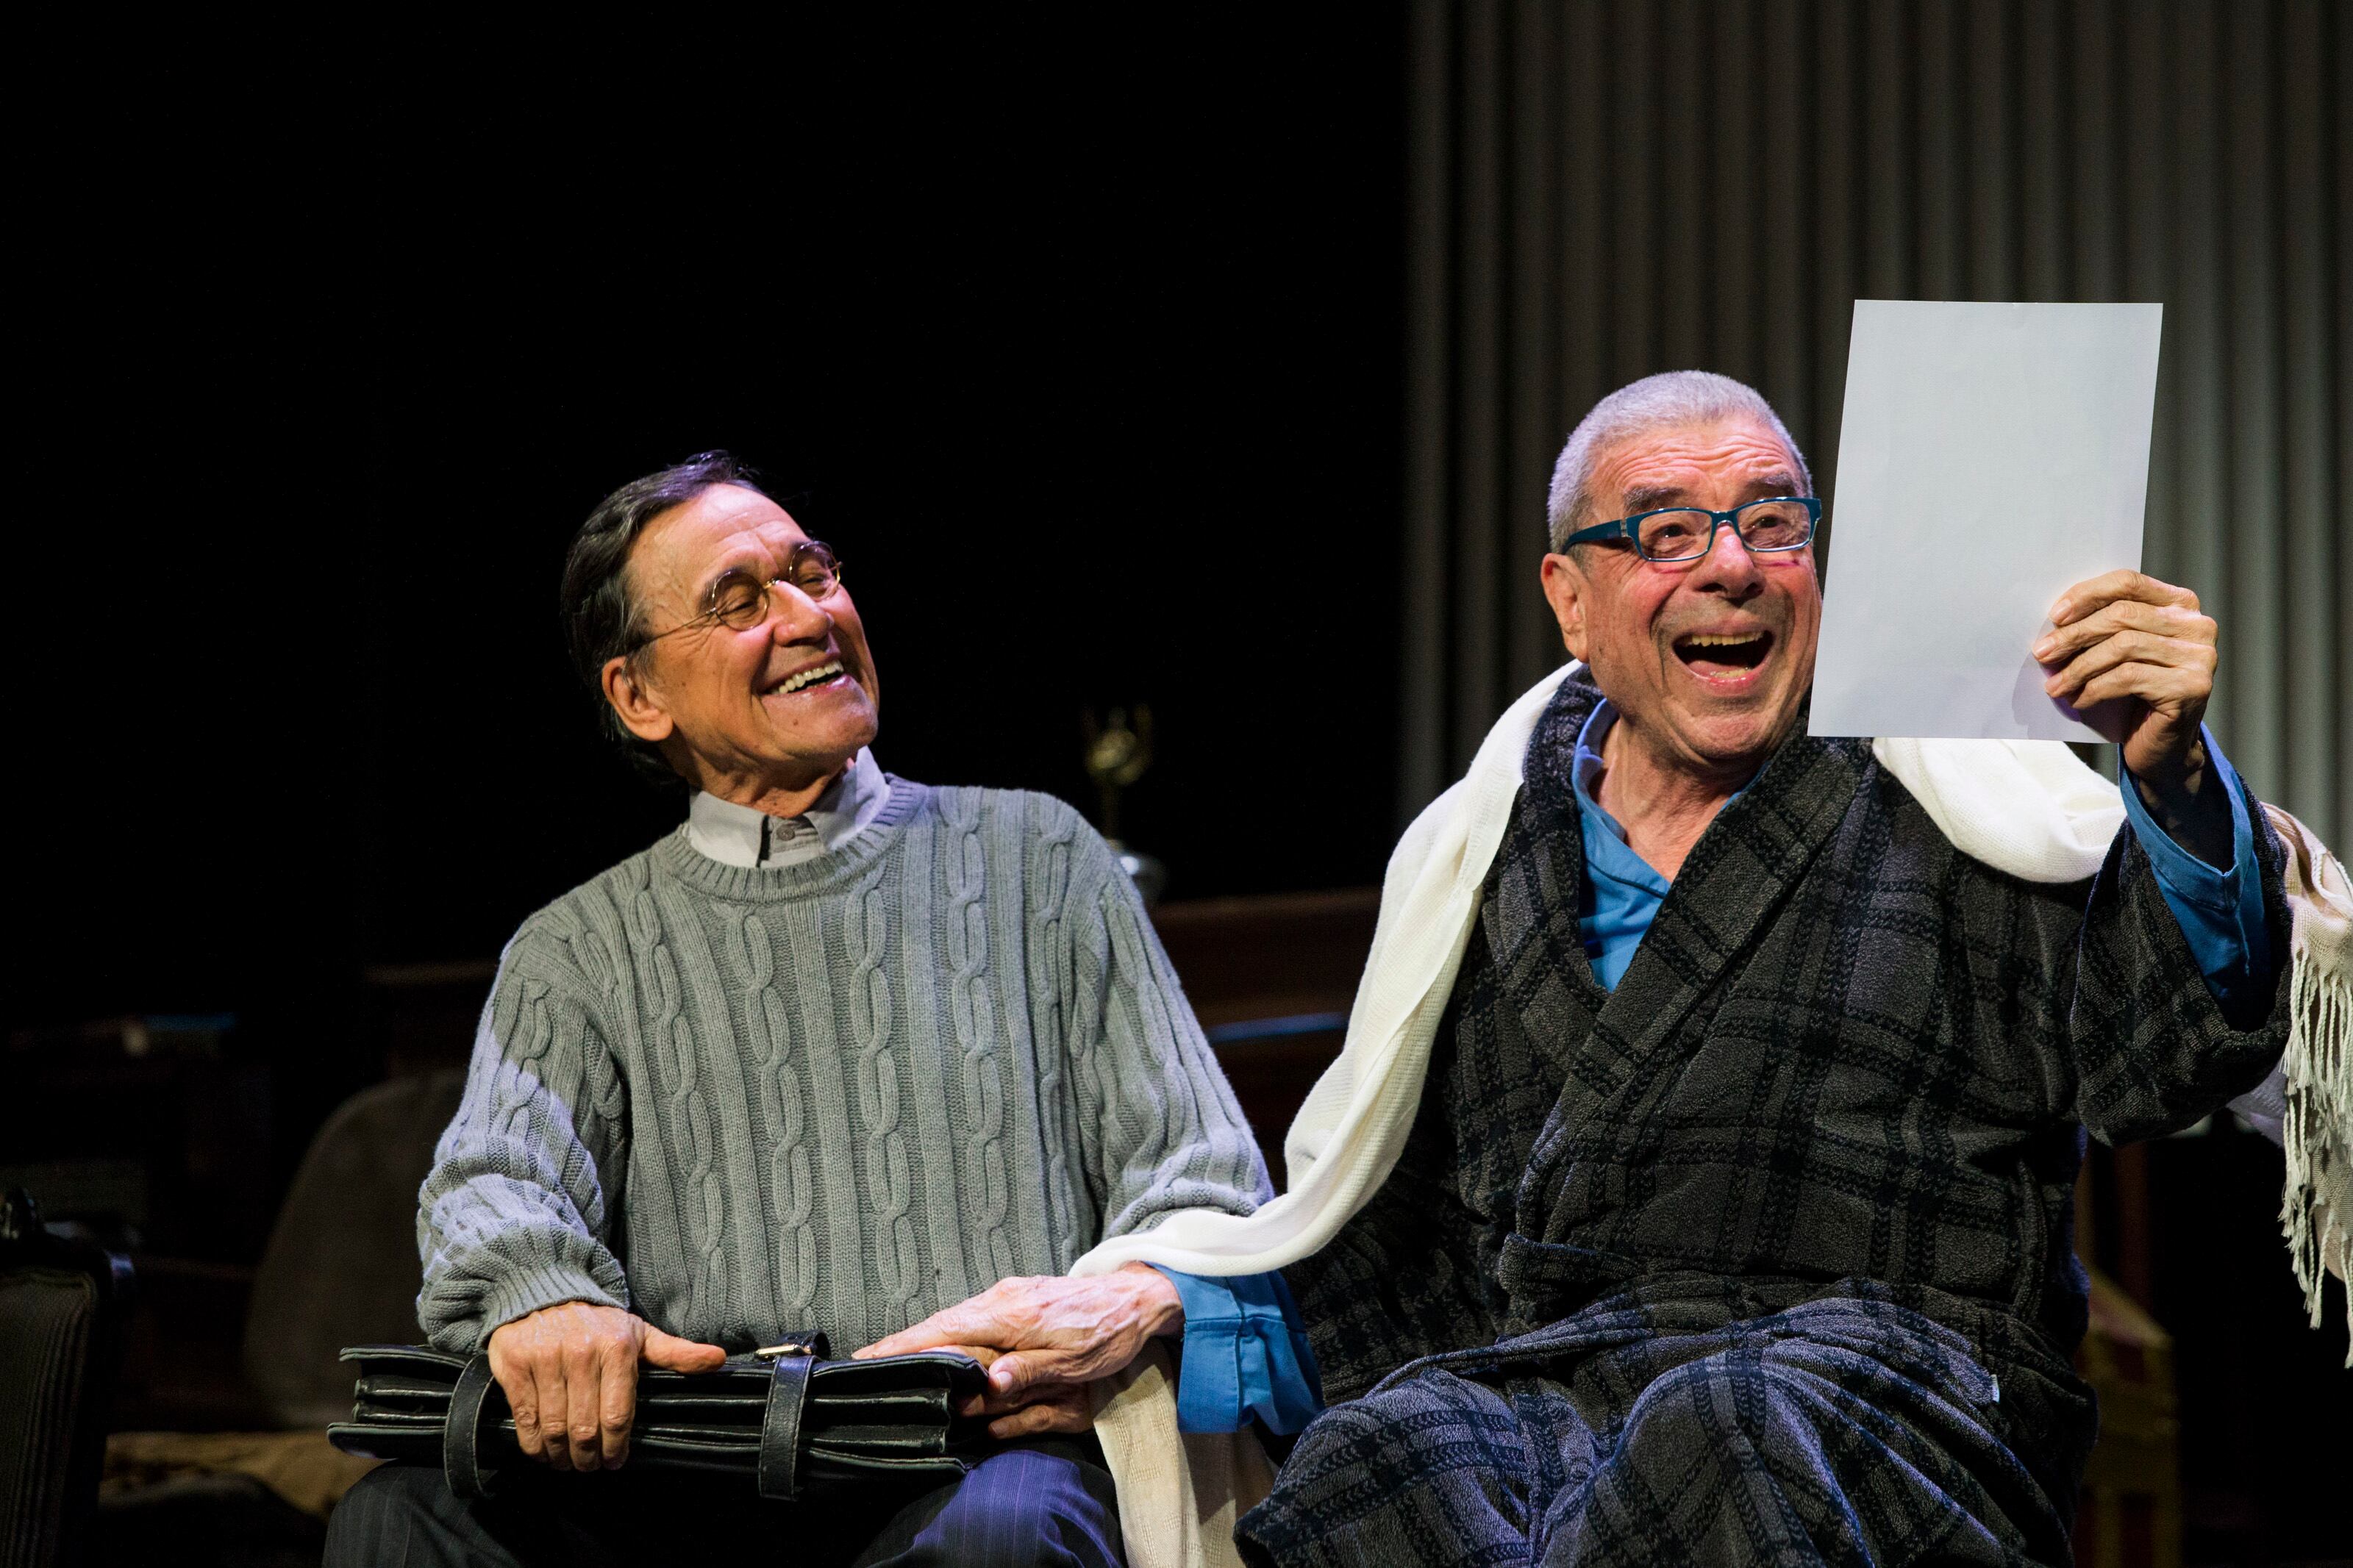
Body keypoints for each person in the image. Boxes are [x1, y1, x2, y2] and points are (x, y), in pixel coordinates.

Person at [1234, 371, 2296, 1565]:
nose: (1732, 564)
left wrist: (2173, 774)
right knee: (1376, 1459)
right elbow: (1384, 1226)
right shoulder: (1478, 853)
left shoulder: (1950, 800)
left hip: (1896, 1386)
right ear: (1571, 601)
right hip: (1548, 1393)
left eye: (1774, 520)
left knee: (1722, 1428)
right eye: (1666, 531)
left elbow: (2157, 1060)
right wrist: (1191, 1299)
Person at [326, 452, 1316, 1568]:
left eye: (813, 573)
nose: (808, 617)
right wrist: (541, 1296)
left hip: (972, 1451)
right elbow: (491, 1185)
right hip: (684, 1474)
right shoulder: (577, 948)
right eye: (738, 600)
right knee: (394, 1517)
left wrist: (1126, 1298)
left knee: (1009, 1534)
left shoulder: (1040, 859)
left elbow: (1203, 1180)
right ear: (639, 696)